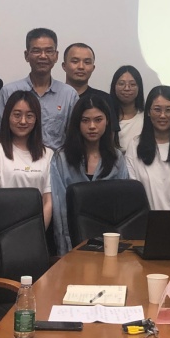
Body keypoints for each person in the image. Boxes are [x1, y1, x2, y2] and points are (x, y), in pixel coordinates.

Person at [51, 94, 129, 254]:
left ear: (108, 121)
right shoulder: (62, 158)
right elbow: (60, 209)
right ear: (77, 123)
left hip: (109, 241)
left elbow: (122, 207)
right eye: (85, 120)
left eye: (98, 120)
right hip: (73, 241)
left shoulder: (117, 158)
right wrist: (65, 249)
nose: (92, 126)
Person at [0, 28, 78, 151]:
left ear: (56, 56)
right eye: (36, 51)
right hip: (15, 160)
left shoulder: (69, 95)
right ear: (26, 55)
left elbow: (75, 138)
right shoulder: (9, 92)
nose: (43, 56)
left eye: (49, 51)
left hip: (55, 161)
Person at [0, 91, 54, 228]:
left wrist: (37, 232)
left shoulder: (48, 154)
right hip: (3, 227)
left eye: (29, 116)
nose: (23, 121)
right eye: (17, 115)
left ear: (37, 119)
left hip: (36, 229)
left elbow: (48, 201)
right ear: (7, 117)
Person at [110, 65, 145, 153]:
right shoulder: (106, 117)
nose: (127, 88)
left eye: (132, 84)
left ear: (139, 88)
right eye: (121, 84)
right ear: (114, 86)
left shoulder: (146, 118)